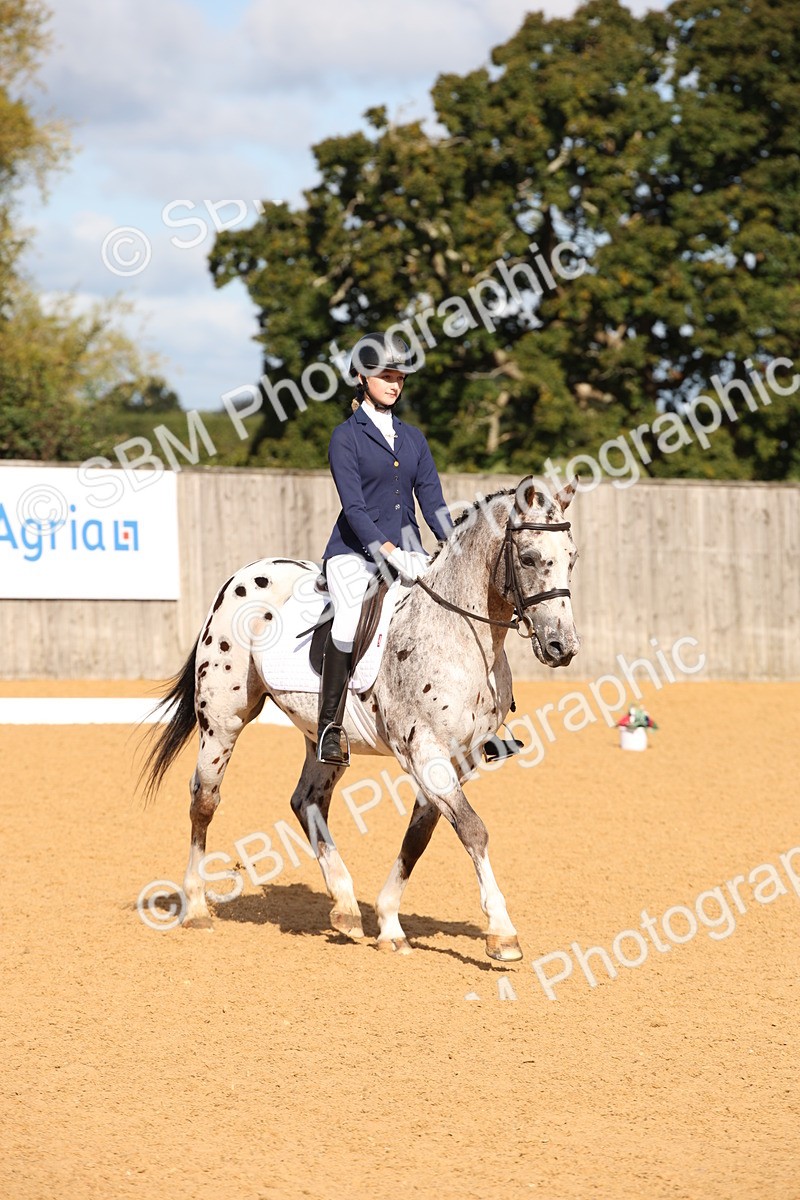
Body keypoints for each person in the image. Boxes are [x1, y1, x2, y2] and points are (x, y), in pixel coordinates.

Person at [316, 331, 454, 765]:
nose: (395, 385)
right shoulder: (346, 436)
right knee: (347, 620)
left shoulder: (413, 438)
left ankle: (482, 718)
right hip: (354, 552)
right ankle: (329, 728)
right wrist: (390, 551)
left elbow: (432, 501)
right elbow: (354, 508)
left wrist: (453, 546)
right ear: (361, 377)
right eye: (386, 376)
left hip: (411, 552)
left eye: (400, 378)